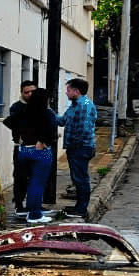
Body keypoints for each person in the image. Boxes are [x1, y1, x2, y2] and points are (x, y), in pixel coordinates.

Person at [10, 88, 58, 224]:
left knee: (31, 182)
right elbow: (52, 133)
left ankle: (31, 211)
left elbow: (8, 122)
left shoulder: (24, 111)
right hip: (40, 152)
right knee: (37, 184)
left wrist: (20, 137)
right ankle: (35, 214)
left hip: (24, 151)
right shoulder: (47, 113)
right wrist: (43, 141)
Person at [56, 78, 97, 221]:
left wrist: (75, 143)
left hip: (81, 147)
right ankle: (79, 206)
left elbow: (85, 130)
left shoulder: (85, 105)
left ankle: (81, 209)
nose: (66, 93)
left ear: (76, 91)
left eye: (68, 90)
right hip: (75, 147)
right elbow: (62, 121)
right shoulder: (74, 106)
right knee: (77, 178)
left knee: (81, 179)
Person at [4, 80, 38, 216]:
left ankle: (34, 204)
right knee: (20, 177)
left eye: (32, 92)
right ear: (22, 93)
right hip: (22, 147)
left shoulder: (41, 106)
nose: (29, 94)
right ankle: (19, 204)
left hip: (38, 148)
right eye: (26, 92)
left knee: (36, 177)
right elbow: (14, 123)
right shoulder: (16, 107)